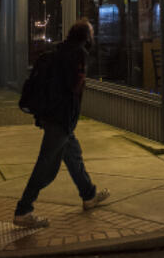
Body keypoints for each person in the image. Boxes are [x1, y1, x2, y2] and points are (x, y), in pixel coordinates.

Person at [13, 18, 109, 228]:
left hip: (52, 115)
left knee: (74, 155)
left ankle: (88, 195)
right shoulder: (78, 54)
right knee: (46, 165)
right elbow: (74, 86)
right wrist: (82, 81)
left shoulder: (59, 50)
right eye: (91, 33)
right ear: (86, 36)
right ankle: (24, 210)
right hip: (61, 118)